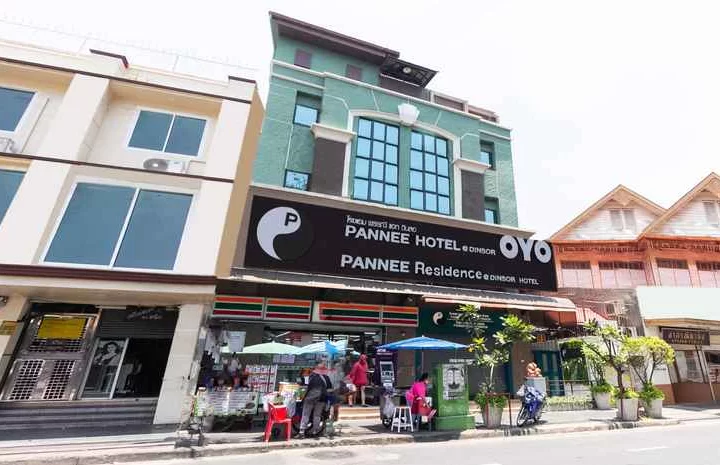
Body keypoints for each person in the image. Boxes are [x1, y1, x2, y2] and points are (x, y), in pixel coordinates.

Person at [298, 361, 332, 438]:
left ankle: (302, 432)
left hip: (310, 398)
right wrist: (328, 400)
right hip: (321, 398)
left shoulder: (311, 376)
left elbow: (304, 385)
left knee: (306, 414)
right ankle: (315, 432)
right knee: (317, 415)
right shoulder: (326, 378)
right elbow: (329, 389)